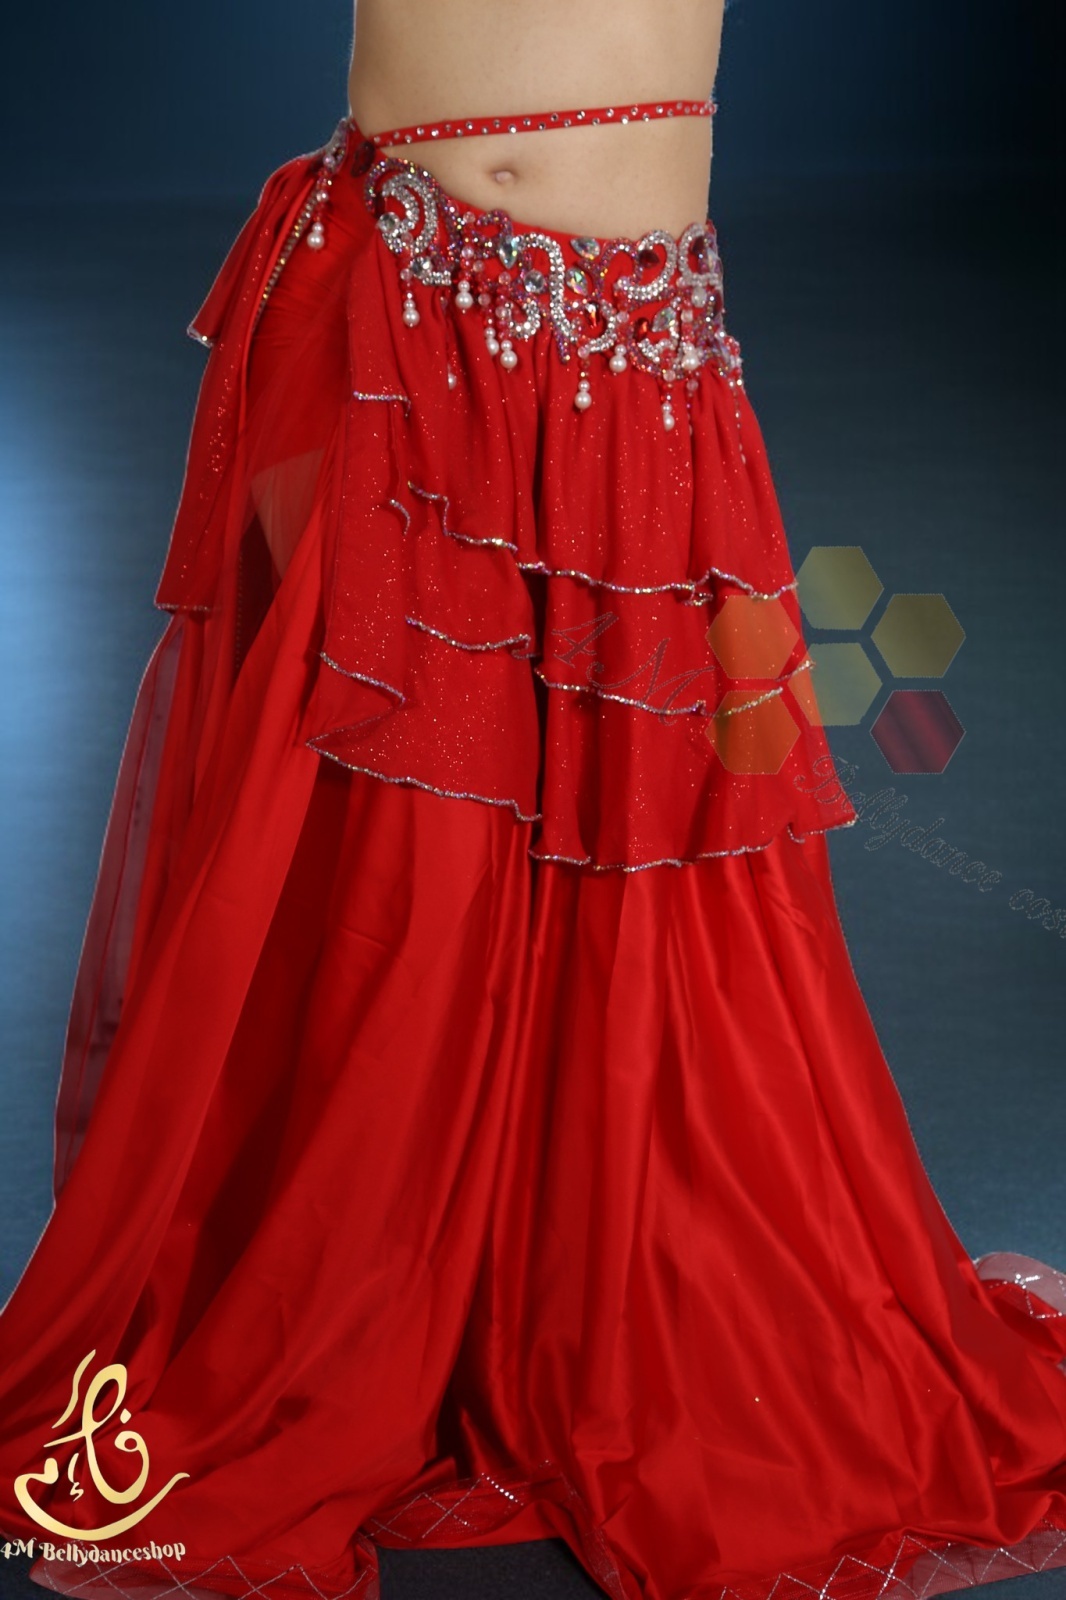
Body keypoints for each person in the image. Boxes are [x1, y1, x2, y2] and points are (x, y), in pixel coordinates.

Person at [1, 3, 1064, 1597]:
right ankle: (361, 1294)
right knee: (373, 856)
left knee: (635, 840)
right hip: (382, 311)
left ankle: (558, 1283)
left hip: (621, 358)